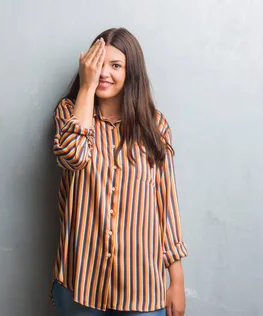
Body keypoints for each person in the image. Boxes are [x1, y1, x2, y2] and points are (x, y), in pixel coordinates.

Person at [50, 28, 188, 316]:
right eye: (99, 63)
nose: (105, 73)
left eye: (116, 65)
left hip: (141, 289)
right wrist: (86, 89)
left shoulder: (155, 126)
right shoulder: (68, 112)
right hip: (80, 285)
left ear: (131, 72)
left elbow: (166, 202)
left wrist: (176, 279)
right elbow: (72, 157)